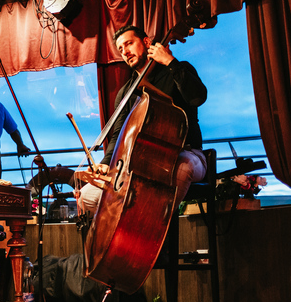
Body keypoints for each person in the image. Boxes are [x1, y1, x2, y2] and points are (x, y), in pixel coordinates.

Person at [77, 24, 208, 215]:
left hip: (186, 154)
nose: (125, 51)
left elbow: (197, 97)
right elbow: (118, 134)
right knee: (87, 195)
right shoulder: (126, 92)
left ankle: (151, 229)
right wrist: (106, 162)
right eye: (120, 49)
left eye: (129, 43)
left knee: (181, 168)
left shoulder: (178, 69)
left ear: (147, 42)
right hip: (140, 165)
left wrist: (170, 62)